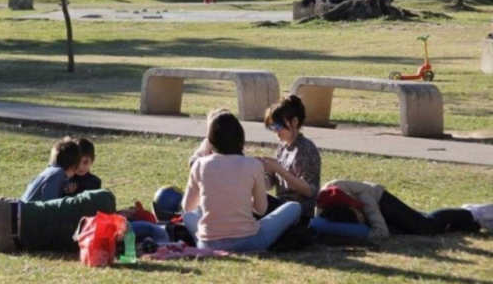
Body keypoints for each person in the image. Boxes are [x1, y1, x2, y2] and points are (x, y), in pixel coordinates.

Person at [182, 111, 301, 252]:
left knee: (189, 216)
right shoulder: (253, 165)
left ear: (210, 140)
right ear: (240, 137)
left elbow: (187, 208)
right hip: (250, 242)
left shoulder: (200, 164)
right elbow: (260, 209)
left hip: (209, 244)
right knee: (294, 207)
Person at [316, 180, 493, 240]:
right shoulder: (325, 209)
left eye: (358, 216)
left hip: (379, 198)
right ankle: (471, 223)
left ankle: (475, 212)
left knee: (424, 225)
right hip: (365, 207)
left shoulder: (365, 200)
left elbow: (381, 233)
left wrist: (364, 228)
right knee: (407, 231)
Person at [258, 95, 321, 222]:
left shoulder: (306, 149)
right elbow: (270, 184)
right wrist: (256, 173)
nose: (275, 131)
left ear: (294, 122)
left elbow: (310, 191)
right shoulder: (282, 147)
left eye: (279, 126)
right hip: (282, 206)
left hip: (299, 213)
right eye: (272, 126)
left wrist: (279, 170)